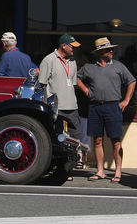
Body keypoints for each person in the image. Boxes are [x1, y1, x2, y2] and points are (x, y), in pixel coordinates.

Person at [76, 37, 136, 183]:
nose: (111, 51)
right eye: (108, 49)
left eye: (111, 49)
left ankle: (118, 171)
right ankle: (100, 171)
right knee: (97, 140)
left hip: (113, 106)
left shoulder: (118, 66)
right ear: (100, 52)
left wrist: (126, 100)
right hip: (95, 106)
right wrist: (85, 90)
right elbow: (76, 78)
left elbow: (132, 81)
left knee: (116, 141)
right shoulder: (89, 68)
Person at [38, 33, 86, 180]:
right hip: (55, 107)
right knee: (57, 140)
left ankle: (68, 170)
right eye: (72, 47)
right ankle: (56, 170)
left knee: (73, 140)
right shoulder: (49, 60)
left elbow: (71, 83)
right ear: (63, 46)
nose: (74, 50)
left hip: (72, 105)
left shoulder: (72, 61)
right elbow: (42, 84)